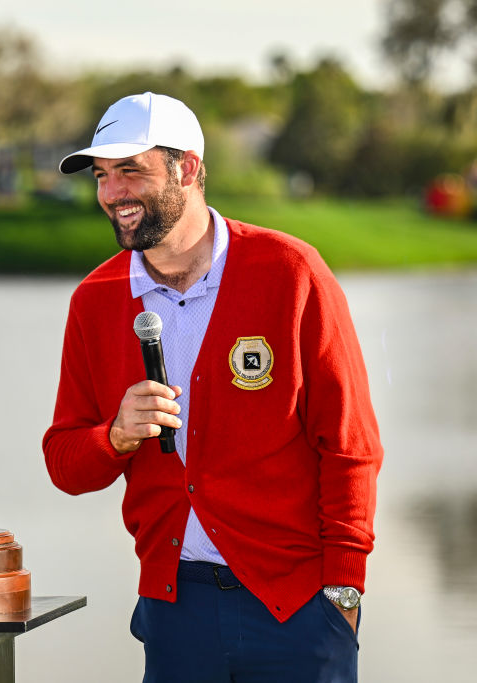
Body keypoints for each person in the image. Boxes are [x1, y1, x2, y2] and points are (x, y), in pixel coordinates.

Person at [42, 92, 382, 683]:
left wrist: (344, 594)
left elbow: (350, 445)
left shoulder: (291, 273)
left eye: (131, 171)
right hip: (175, 612)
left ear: (189, 169)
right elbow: (66, 464)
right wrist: (116, 437)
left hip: (297, 609)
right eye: (102, 176)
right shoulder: (94, 301)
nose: (112, 193)